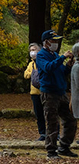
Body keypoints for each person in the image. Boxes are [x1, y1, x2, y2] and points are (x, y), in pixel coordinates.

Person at [37, 29, 76, 158]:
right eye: (53, 41)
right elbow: (48, 68)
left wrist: (68, 66)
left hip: (61, 92)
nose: (56, 43)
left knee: (70, 120)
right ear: (46, 42)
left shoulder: (55, 55)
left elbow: (60, 72)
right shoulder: (41, 55)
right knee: (52, 122)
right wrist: (63, 57)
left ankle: (64, 146)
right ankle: (51, 151)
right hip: (49, 94)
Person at [28, 43, 47, 140]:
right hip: (34, 92)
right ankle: (42, 133)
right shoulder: (31, 64)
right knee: (39, 114)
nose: (32, 52)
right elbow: (26, 75)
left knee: (50, 113)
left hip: (45, 91)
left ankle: (54, 133)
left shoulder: (43, 61)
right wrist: (32, 73)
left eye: (34, 49)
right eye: (31, 50)